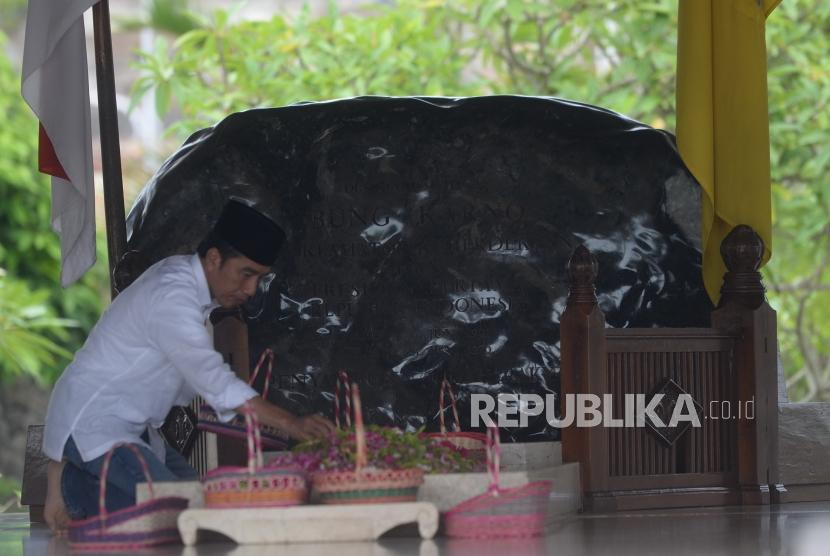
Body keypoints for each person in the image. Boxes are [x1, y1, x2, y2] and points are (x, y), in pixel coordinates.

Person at [42, 199, 335, 533]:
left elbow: (198, 383)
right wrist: (291, 423)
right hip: (97, 425)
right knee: (174, 514)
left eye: (259, 278)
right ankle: (71, 485)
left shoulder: (189, 284)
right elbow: (213, 379)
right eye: (246, 274)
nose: (251, 290)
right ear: (214, 259)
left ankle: (82, 480)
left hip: (135, 430)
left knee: (197, 504)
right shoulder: (172, 295)